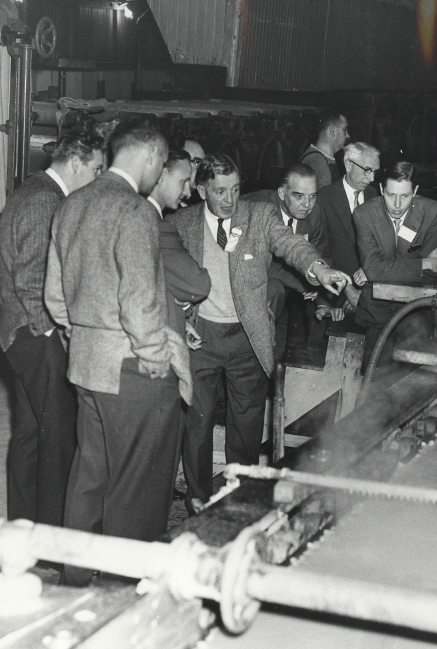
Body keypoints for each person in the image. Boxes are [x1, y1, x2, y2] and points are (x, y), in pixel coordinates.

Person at [44, 115, 192, 585]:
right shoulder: (136, 211)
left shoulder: (72, 204)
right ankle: (120, 595)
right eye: (163, 163)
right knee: (137, 488)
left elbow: (54, 296)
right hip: (130, 369)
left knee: (89, 477)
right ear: (150, 155)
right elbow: (140, 301)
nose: (161, 173)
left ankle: (75, 579)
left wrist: (83, 337)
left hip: (85, 366)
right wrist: (156, 358)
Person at [168, 154, 351, 511]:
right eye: (220, 191)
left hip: (247, 337)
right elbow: (165, 275)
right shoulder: (181, 224)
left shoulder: (259, 216)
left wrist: (320, 269)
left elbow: (291, 245)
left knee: (247, 424)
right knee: (198, 422)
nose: (229, 200)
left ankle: (239, 494)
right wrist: (179, 315)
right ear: (201, 189)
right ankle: (198, 494)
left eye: (235, 190)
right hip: (201, 337)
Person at [0, 128, 105, 528]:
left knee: (29, 435)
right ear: (75, 162)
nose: (97, 178)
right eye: (95, 169)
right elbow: (31, 279)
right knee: (57, 440)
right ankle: (54, 535)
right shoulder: (46, 200)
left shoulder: (34, 190)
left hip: (17, 333)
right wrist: (53, 335)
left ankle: (24, 526)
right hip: (34, 335)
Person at [245, 163, 342, 361]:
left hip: (284, 288)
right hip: (247, 284)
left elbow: (321, 257)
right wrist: (306, 283)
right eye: (298, 196)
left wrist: (323, 302)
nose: (307, 204)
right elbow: (264, 266)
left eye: (312, 196)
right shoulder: (259, 209)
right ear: (281, 193)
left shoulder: (313, 215)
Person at [353, 161, 437, 367]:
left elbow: (432, 274)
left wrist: (377, 270)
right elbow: (427, 267)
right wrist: (423, 263)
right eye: (390, 195)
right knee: (372, 384)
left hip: (416, 315)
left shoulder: (433, 212)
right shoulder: (364, 214)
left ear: (416, 191)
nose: (396, 205)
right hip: (377, 314)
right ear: (380, 189)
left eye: (405, 196)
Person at [146, 149, 211, 343]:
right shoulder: (157, 225)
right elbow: (198, 284)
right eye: (183, 182)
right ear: (163, 175)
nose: (187, 192)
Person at [317, 142, 381, 314]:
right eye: (367, 170)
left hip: (372, 294)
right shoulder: (324, 199)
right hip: (333, 293)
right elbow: (320, 253)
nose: (372, 178)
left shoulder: (377, 197)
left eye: (375, 172)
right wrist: (347, 289)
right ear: (348, 164)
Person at [301, 111, 348, 188]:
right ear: (333, 131)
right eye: (344, 130)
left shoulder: (322, 159)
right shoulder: (317, 161)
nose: (348, 135)